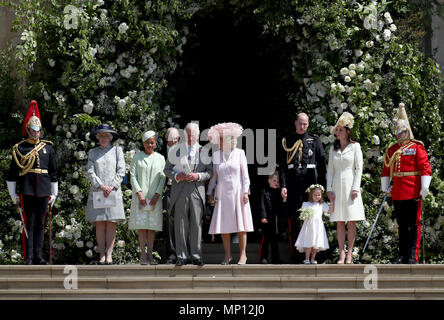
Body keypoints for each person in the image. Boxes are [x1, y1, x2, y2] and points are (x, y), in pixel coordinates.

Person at [6, 100, 58, 265]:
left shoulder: (48, 148)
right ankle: (28, 257)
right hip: (27, 189)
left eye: (38, 130)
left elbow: (53, 172)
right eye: (33, 130)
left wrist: (54, 192)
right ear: (28, 130)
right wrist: (13, 194)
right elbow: (12, 174)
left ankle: (38, 256)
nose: (36, 133)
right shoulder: (20, 149)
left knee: (40, 225)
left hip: (43, 190)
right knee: (29, 224)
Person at [381, 103, 432, 264]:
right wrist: (385, 186)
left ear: (407, 132)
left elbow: (425, 168)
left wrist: (425, 186)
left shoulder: (417, 147)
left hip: (413, 190)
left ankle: (412, 256)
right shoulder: (392, 149)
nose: (398, 135)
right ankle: (402, 255)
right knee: (401, 225)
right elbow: (386, 169)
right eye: (396, 132)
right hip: (397, 191)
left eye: (401, 132)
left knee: (414, 224)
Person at [279, 112, 327, 262]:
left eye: (305, 124)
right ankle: (295, 254)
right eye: (300, 123)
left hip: (309, 184)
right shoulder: (287, 141)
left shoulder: (315, 140)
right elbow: (282, 166)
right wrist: (283, 185)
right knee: (293, 219)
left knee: (312, 220)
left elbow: (322, 164)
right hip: (293, 184)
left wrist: (323, 187)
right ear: (295, 123)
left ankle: (313, 255)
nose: (302, 126)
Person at [164, 122, 212, 266]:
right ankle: (181, 256)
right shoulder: (175, 150)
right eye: (188, 134)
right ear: (185, 135)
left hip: (197, 190)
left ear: (198, 135)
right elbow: (166, 170)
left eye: (194, 134)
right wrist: (177, 176)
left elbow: (210, 172)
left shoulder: (204, 151)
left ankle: (196, 255)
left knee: (196, 224)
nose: (191, 137)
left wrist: (198, 176)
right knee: (180, 224)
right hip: (180, 191)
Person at [207, 122, 254, 265]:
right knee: (224, 226)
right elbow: (214, 177)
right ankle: (227, 256)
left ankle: (243, 255)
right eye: (219, 139)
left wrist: (246, 192)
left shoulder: (240, 153)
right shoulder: (216, 155)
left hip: (238, 193)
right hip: (222, 194)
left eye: (222, 139)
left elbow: (245, 176)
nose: (219, 141)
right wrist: (209, 193)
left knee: (241, 225)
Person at [326, 112, 365, 264]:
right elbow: (330, 170)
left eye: (340, 129)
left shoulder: (355, 147)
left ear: (348, 131)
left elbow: (359, 168)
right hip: (336, 186)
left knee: (351, 221)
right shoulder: (333, 149)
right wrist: (329, 189)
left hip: (350, 187)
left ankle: (350, 253)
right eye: (337, 130)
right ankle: (341, 253)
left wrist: (356, 187)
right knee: (339, 221)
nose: (337, 132)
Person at [86, 124, 125, 265]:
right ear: (98, 137)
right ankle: (101, 254)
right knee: (100, 223)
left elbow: (121, 170)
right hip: (98, 191)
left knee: (111, 222)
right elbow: (90, 171)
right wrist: (101, 186)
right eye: (101, 136)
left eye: (106, 136)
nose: (103, 138)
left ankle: (109, 254)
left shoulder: (117, 151)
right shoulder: (92, 152)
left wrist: (111, 186)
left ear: (110, 137)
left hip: (113, 191)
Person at [128, 131, 166, 265]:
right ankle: (143, 255)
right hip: (141, 197)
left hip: (155, 197)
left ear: (155, 143)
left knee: (151, 227)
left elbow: (163, 177)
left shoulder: (161, 158)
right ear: (143, 144)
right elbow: (132, 176)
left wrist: (157, 195)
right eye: (147, 142)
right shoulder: (137, 157)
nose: (150, 145)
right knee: (142, 226)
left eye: (152, 142)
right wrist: (139, 193)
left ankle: (150, 254)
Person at [295, 184, 333, 264]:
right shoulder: (306, 204)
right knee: (309, 242)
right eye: (315, 195)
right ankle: (307, 258)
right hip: (309, 226)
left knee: (316, 243)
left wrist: (332, 201)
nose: (317, 196)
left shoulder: (322, 204)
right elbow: (303, 214)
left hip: (318, 226)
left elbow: (330, 211)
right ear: (311, 195)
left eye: (319, 195)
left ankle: (313, 259)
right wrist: (306, 216)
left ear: (321, 195)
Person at [161, 127, 180, 264]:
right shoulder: (161, 154)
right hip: (167, 190)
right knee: (170, 222)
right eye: (172, 139)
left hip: (182, 189)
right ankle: (171, 254)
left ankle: (184, 253)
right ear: (166, 139)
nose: (175, 142)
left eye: (177, 139)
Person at [259, 171, 282, 264]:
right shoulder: (264, 191)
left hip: (276, 219)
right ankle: (264, 257)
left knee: (275, 239)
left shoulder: (279, 192)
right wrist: (263, 217)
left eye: (277, 181)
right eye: (274, 180)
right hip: (267, 219)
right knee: (266, 239)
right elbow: (262, 205)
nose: (276, 183)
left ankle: (275, 258)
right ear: (269, 180)